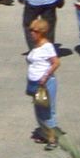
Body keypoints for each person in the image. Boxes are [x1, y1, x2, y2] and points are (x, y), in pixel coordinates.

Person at [25, 16, 61, 147]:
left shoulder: (47, 46)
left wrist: (45, 76)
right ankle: (44, 133)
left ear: (41, 32)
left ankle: (52, 137)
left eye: (34, 31)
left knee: (47, 110)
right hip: (34, 82)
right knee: (38, 109)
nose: (31, 33)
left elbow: (56, 63)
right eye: (31, 30)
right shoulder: (36, 46)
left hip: (45, 83)